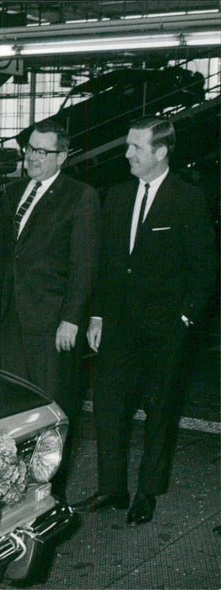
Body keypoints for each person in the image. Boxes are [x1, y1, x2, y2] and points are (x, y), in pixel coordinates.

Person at [74, 116, 217, 524]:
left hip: (164, 331)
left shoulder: (188, 198)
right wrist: (97, 314)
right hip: (116, 328)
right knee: (107, 408)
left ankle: (146, 493)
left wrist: (185, 320)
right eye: (128, 146)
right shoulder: (116, 196)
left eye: (136, 147)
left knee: (159, 413)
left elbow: (205, 270)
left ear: (160, 151)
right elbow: (105, 263)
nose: (127, 154)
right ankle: (111, 488)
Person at [0, 118, 100, 499]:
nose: (32, 158)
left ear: (63, 155)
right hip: (10, 322)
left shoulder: (80, 196)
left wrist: (72, 318)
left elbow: (84, 264)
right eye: (29, 150)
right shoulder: (10, 192)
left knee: (52, 413)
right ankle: (13, 491)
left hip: (52, 323)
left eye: (42, 151)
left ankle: (49, 496)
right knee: (14, 412)